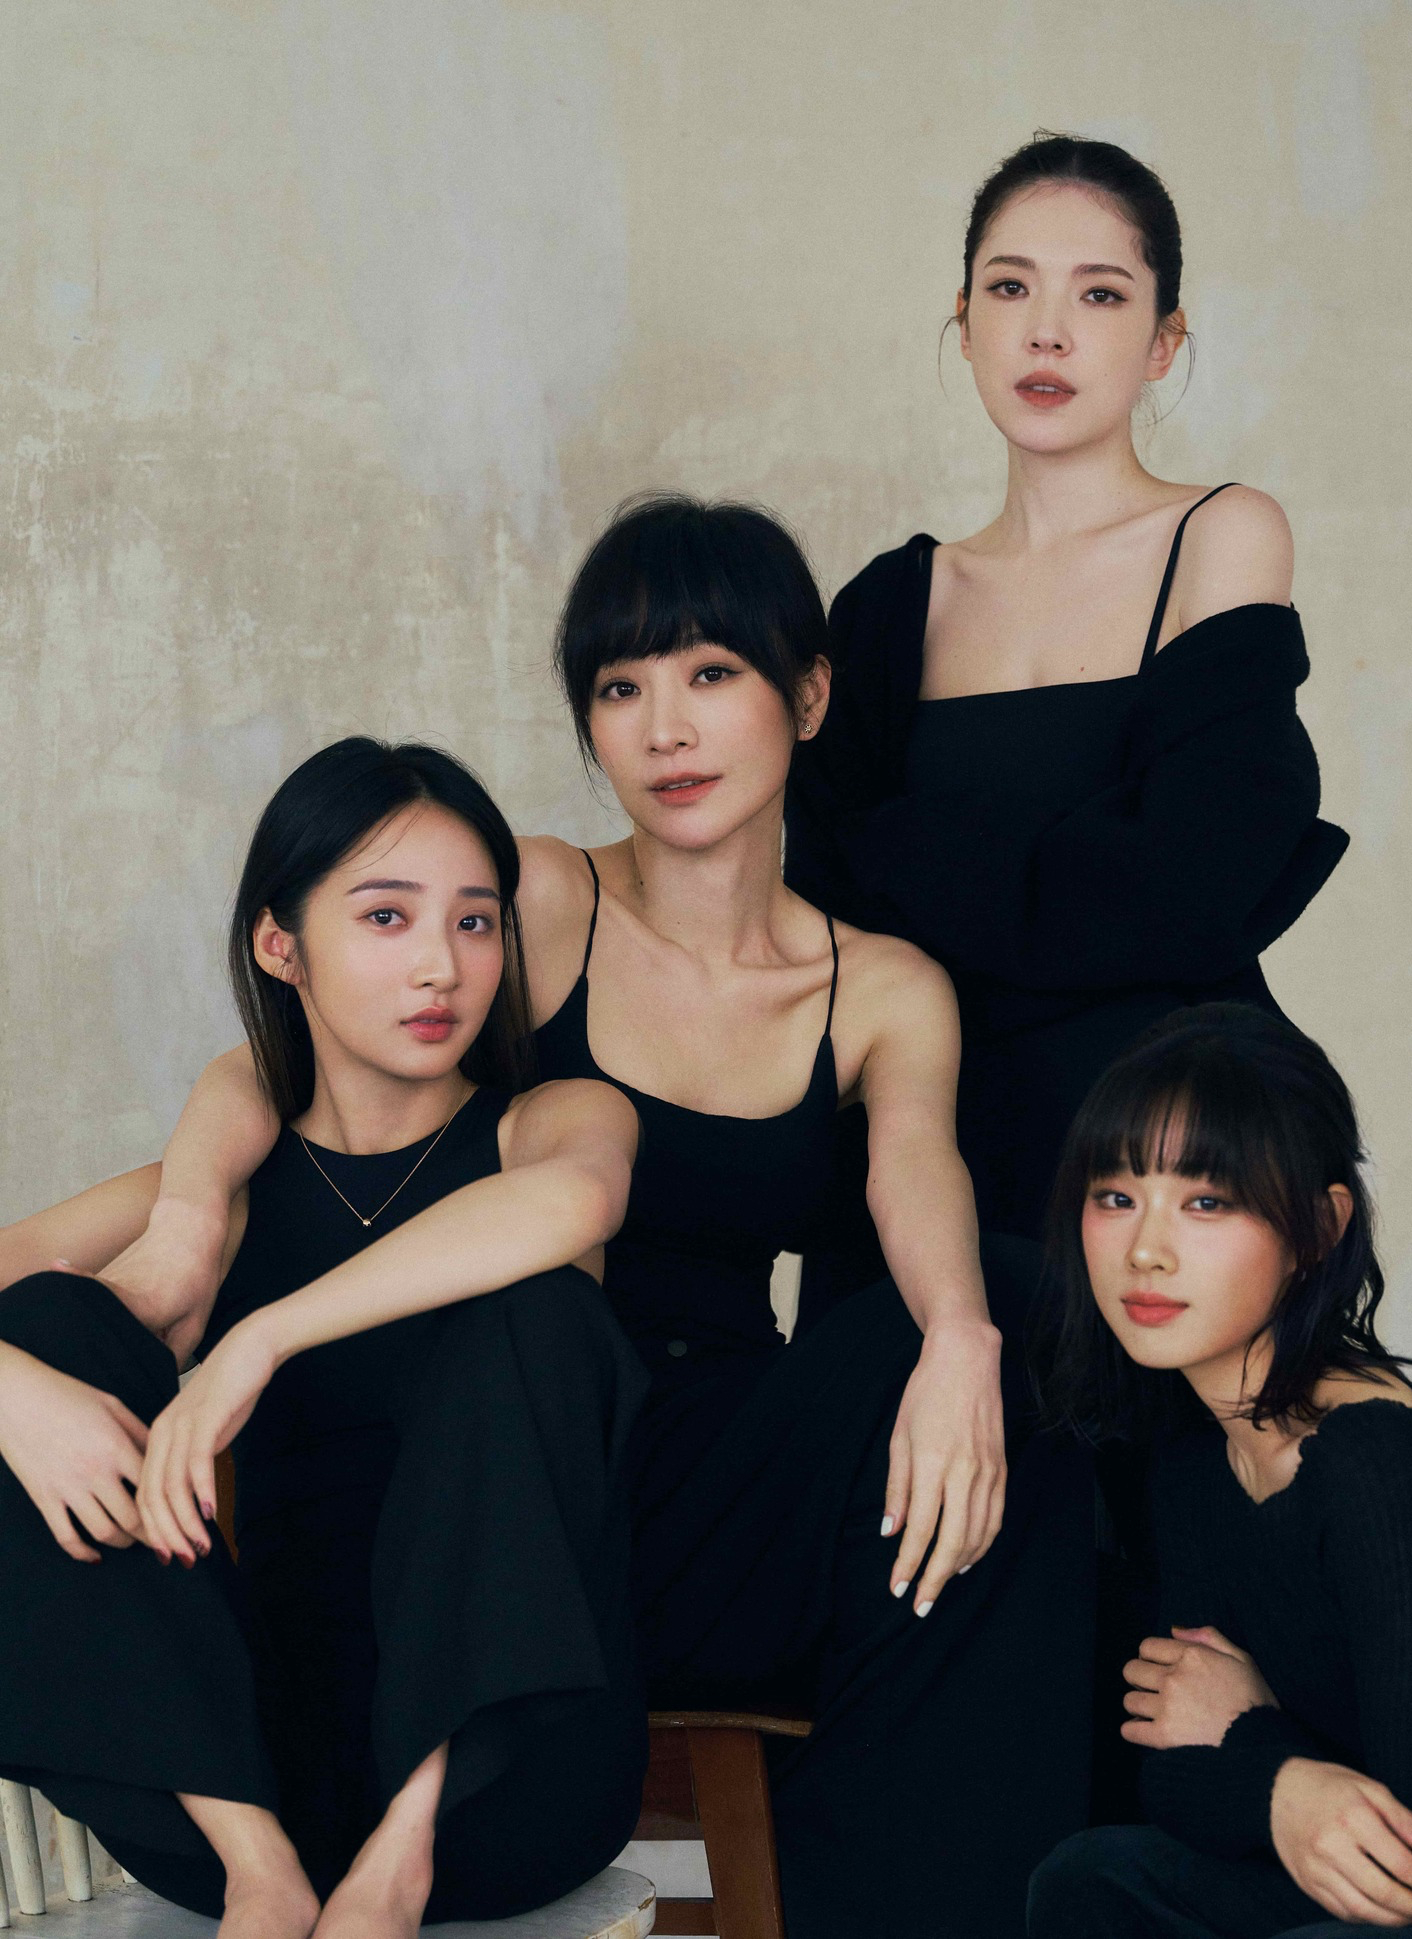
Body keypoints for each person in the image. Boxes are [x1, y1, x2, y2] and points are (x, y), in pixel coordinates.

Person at [97, 496, 1095, 1938]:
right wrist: (193, 1214)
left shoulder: (878, 985)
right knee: (541, 1318)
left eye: (711, 674)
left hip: (701, 1474)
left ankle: (899, 1895)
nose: (666, 729)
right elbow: (299, 1045)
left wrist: (957, 1337)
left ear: (810, 695)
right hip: (489, 1441)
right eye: (621, 689)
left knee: (1016, 1329)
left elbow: (914, 1172)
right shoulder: (543, 897)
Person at [0, 738, 650, 1938]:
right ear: (280, 945)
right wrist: (19, 1395)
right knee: (40, 1324)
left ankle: (397, 1859)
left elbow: (578, 1203)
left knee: (540, 1306)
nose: (441, 965)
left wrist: (257, 1342)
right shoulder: (224, 1188)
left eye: (475, 922)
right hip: (251, 1768)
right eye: (386, 917)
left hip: (504, 1786)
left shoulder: (553, 1124)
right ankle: (259, 1865)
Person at [785, 131, 1348, 1279]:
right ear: (965, 322)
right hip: (928, 1152)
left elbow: (1189, 883)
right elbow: (828, 921)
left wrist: (921, 859)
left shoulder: (1222, 535)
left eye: (1100, 293)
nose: (1047, 331)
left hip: (1161, 1155)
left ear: (1164, 340)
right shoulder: (885, 607)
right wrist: (1078, 871)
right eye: (1010, 288)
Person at [1028, 1003, 1412, 1938]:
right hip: (1344, 1894)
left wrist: (1264, 1762)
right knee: (1091, 1878)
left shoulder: (1375, 1462)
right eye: (1115, 1196)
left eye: (1207, 1202)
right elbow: (1171, 1758)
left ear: (1319, 1229)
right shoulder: (1194, 1459)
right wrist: (1275, 1782)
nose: (1145, 1250)